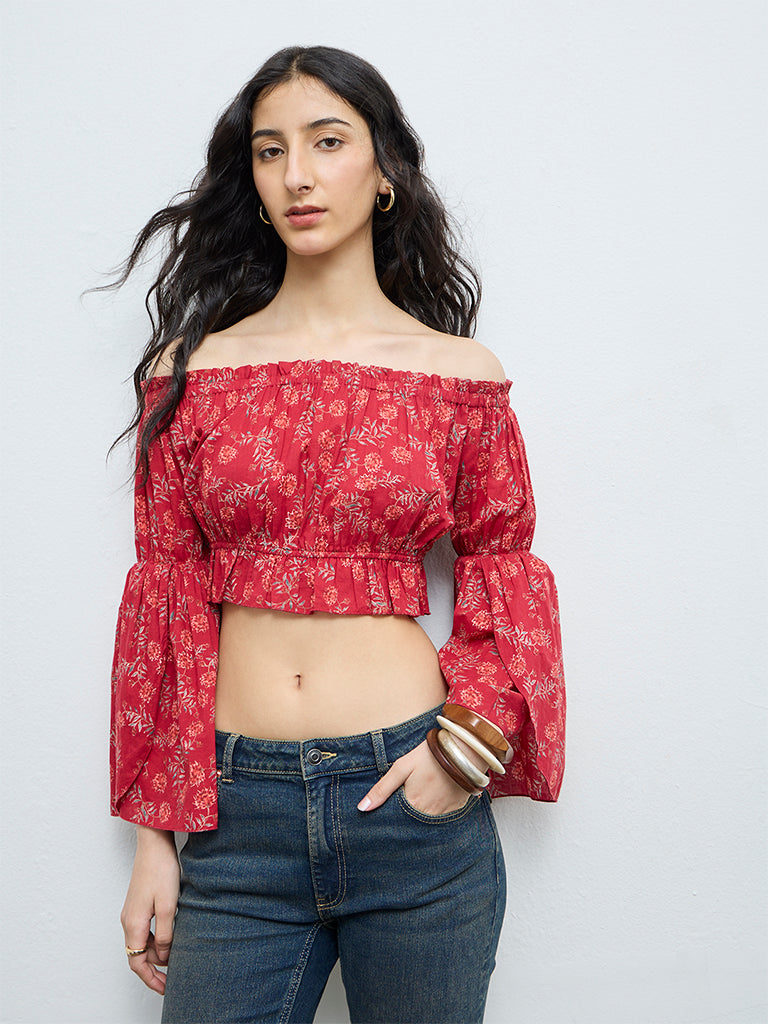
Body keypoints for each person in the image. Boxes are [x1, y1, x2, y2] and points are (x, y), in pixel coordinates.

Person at [105, 44, 566, 1024]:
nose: (298, 176)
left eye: (327, 141)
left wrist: (458, 760)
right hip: (235, 817)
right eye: (270, 151)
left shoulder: (458, 375)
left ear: (384, 169)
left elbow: (503, 570)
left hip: (411, 803)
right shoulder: (189, 372)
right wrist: (155, 835)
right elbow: (167, 601)